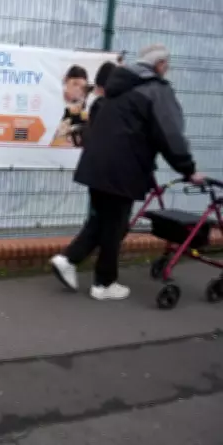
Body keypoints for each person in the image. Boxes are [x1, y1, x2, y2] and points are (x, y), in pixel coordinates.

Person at [50, 44, 204, 300]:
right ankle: (103, 283)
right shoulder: (156, 90)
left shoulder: (116, 87)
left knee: (103, 220)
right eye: (167, 66)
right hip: (123, 168)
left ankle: (68, 260)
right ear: (160, 65)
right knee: (115, 224)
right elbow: (170, 134)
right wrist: (188, 169)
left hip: (96, 164)